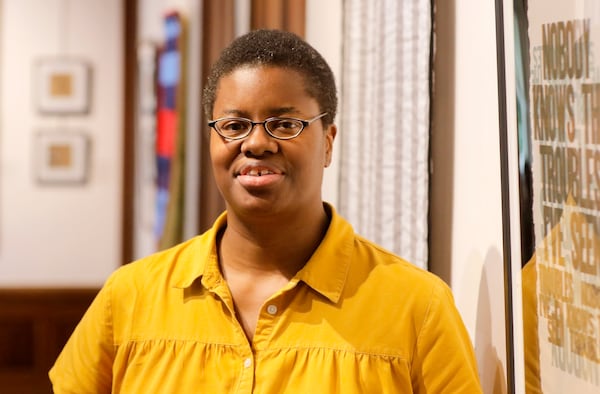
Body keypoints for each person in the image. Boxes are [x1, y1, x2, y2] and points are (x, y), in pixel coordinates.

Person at [49, 29, 482, 393]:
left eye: (285, 124)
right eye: (234, 126)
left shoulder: (417, 307)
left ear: (328, 142)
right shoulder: (129, 298)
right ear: (212, 140)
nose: (256, 143)